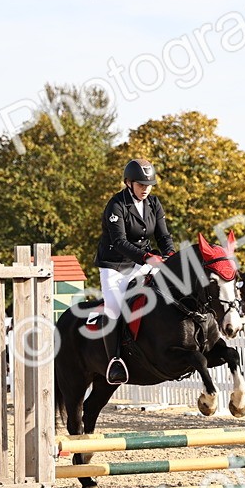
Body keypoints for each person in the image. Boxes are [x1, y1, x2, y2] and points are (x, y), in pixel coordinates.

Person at [94, 158, 175, 385]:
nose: (145, 189)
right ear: (128, 183)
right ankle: (115, 361)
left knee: (170, 290)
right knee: (113, 307)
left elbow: (163, 236)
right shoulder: (116, 205)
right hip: (115, 266)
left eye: (148, 185)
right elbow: (119, 241)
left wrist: (170, 254)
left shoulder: (154, 204)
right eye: (141, 185)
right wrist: (147, 257)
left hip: (142, 262)